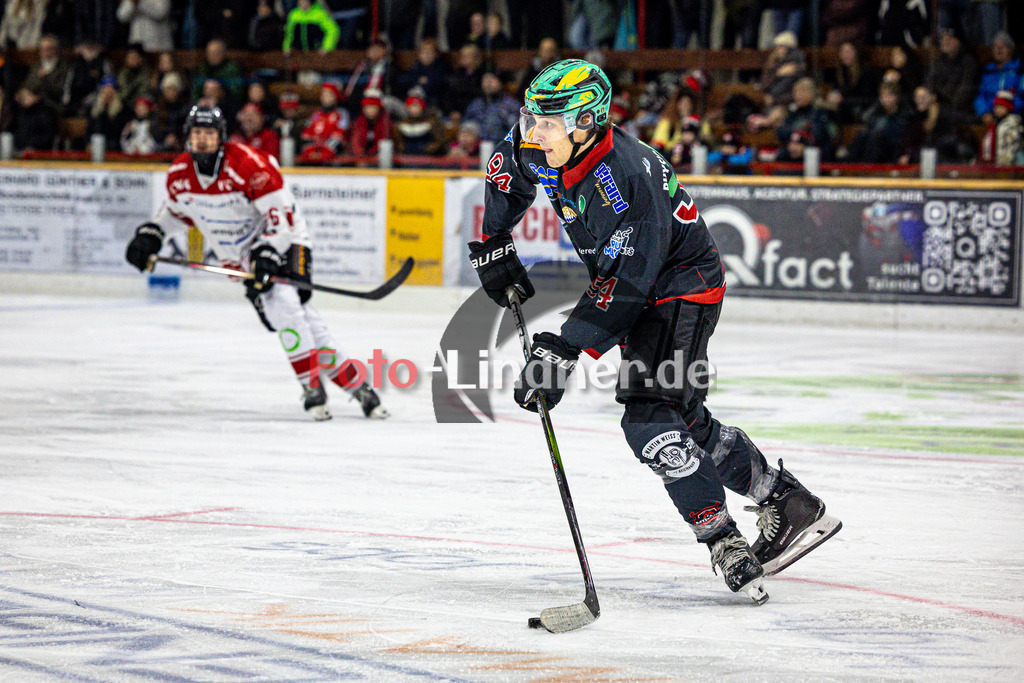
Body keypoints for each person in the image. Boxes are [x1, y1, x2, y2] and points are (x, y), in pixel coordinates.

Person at [468, 59, 841, 602]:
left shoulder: (626, 177)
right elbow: (505, 166)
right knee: (685, 419)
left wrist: (564, 350)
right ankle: (786, 500)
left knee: (650, 416)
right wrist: (495, 238)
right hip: (636, 286)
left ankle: (723, 540)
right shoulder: (544, 145)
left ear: (585, 122)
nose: (533, 133)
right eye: (532, 119)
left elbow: (629, 286)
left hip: (679, 289)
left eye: (547, 123)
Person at [124, 106, 389, 421]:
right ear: (188, 138)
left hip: (287, 239)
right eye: (197, 133)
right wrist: (151, 236)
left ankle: (311, 387)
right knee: (299, 319)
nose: (203, 140)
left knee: (286, 306)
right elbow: (174, 215)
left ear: (221, 137)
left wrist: (267, 252)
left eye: (209, 133)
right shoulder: (180, 176)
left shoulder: (249, 165)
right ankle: (360, 389)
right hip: (241, 257)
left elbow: (281, 218)